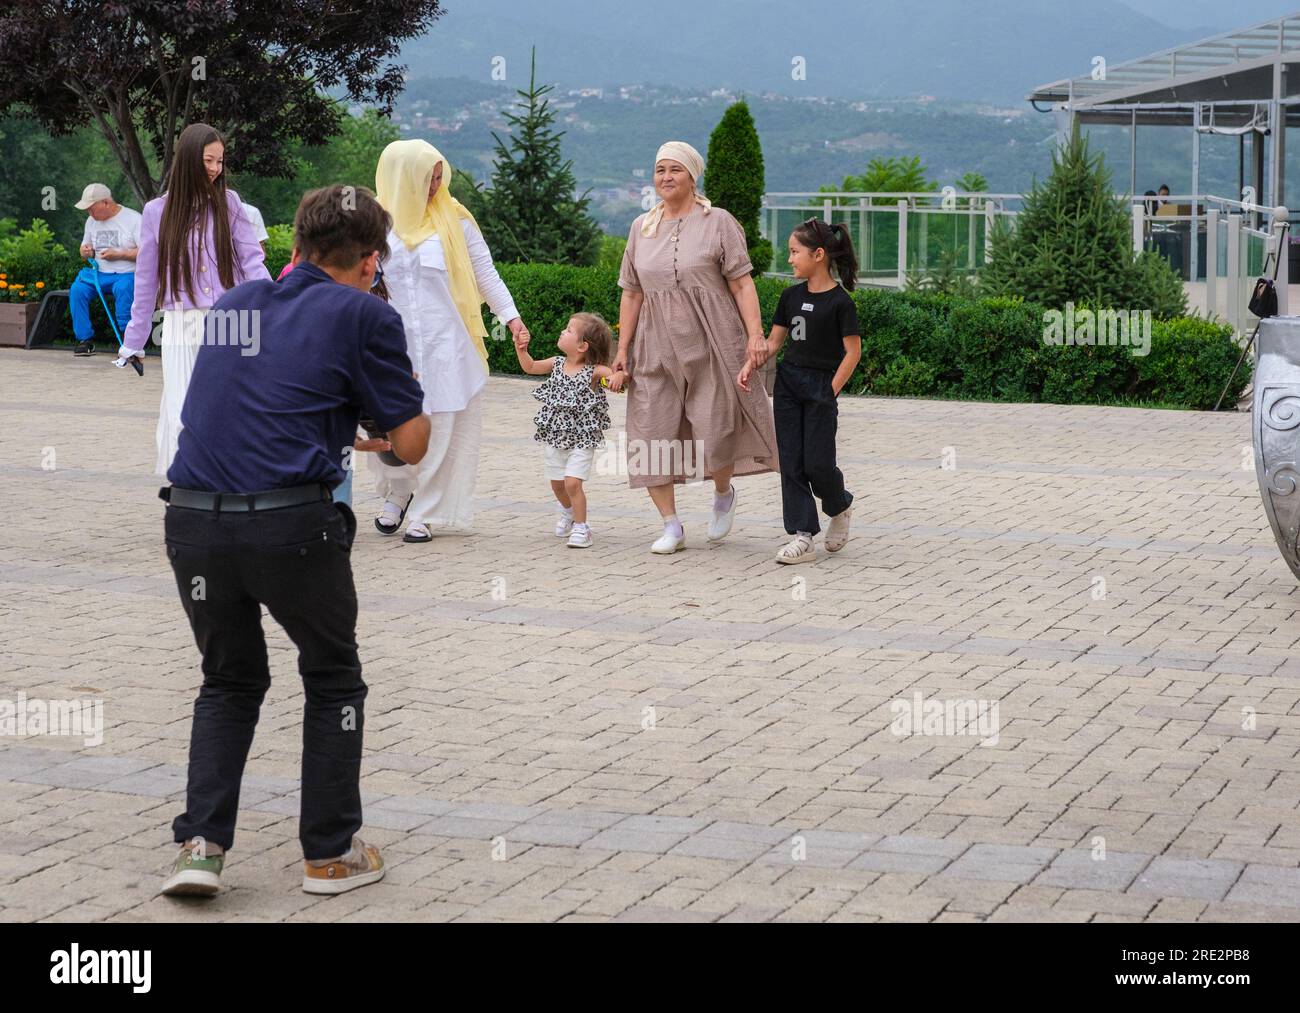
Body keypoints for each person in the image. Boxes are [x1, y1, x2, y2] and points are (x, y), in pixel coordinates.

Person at [158, 184, 430, 898]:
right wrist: (386, 425)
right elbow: (410, 443)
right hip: (289, 526)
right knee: (333, 674)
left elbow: (228, 408)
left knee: (229, 678)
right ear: (371, 261)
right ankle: (331, 852)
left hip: (191, 518)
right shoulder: (366, 313)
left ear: (294, 248)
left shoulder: (234, 304)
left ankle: (200, 844)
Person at [608, 141, 778, 554]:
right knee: (651, 431)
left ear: (692, 176)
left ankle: (723, 492)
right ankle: (671, 526)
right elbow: (632, 293)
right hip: (654, 345)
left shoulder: (718, 221)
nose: (666, 177)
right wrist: (621, 349)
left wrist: (755, 335)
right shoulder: (640, 227)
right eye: (660, 169)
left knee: (715, 427)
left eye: (675, 170)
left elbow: (741, 282)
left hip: (713, 337)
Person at [369, 139, 529, 543]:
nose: (436, 186)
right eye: (428, 178)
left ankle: (427, 509)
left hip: (445, 343)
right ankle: (398, 493)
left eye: (440, 177)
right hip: (390, 344)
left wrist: (511, 319)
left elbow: (485, 273)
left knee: (439, 423)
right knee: (391, 421)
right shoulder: (372, 223)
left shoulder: (456, 220)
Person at [116, 123, 269, 475]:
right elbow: (146, 279)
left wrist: (277, 305)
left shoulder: (230, 203)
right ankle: (188, 492)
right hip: (180, 324)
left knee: (228, 409)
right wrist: (134, 339)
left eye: (220, 161)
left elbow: (251, 262)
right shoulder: (156, 211)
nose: (215, 168)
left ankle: (226, 492)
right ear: (187, 159)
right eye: (208, 160)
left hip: (231, 321)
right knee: (183, 408)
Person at [739, 219, 861, 564]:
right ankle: (802, 535)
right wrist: (751, 365)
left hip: (821, 388)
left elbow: (853, 352)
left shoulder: (841, 302)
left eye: (795, 252)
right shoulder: (790, 296)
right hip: (789, 386)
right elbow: (774, 342)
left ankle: (839, 506)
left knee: (819, 464)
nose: (790, 259)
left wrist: (831, 391)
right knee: (791, 462)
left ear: (818, 254)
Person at [513, 313, 621, 547]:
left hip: (583, 437)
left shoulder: (595, 371)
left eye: (569, 330)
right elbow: (530, 367)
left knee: (573, 482)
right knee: (557, 483)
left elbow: (615, 377)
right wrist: (521, 349)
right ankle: (568, 512)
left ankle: (582, 528)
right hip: (557, 436)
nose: (563, 331)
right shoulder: (557, 363)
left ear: (583, 346)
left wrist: (618, 377)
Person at [70, 183, 140, 356]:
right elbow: (84, 251)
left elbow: (147, 253)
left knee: (123, 289)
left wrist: (121, 254)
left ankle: (128, 341)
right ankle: (84, 340)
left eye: (92, 209)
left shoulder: (134, 219)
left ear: (106, 203)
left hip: (126, 274)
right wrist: (85, 252)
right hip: (98, 274)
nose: (90, 214)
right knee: (77, 290)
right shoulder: (91, 221)